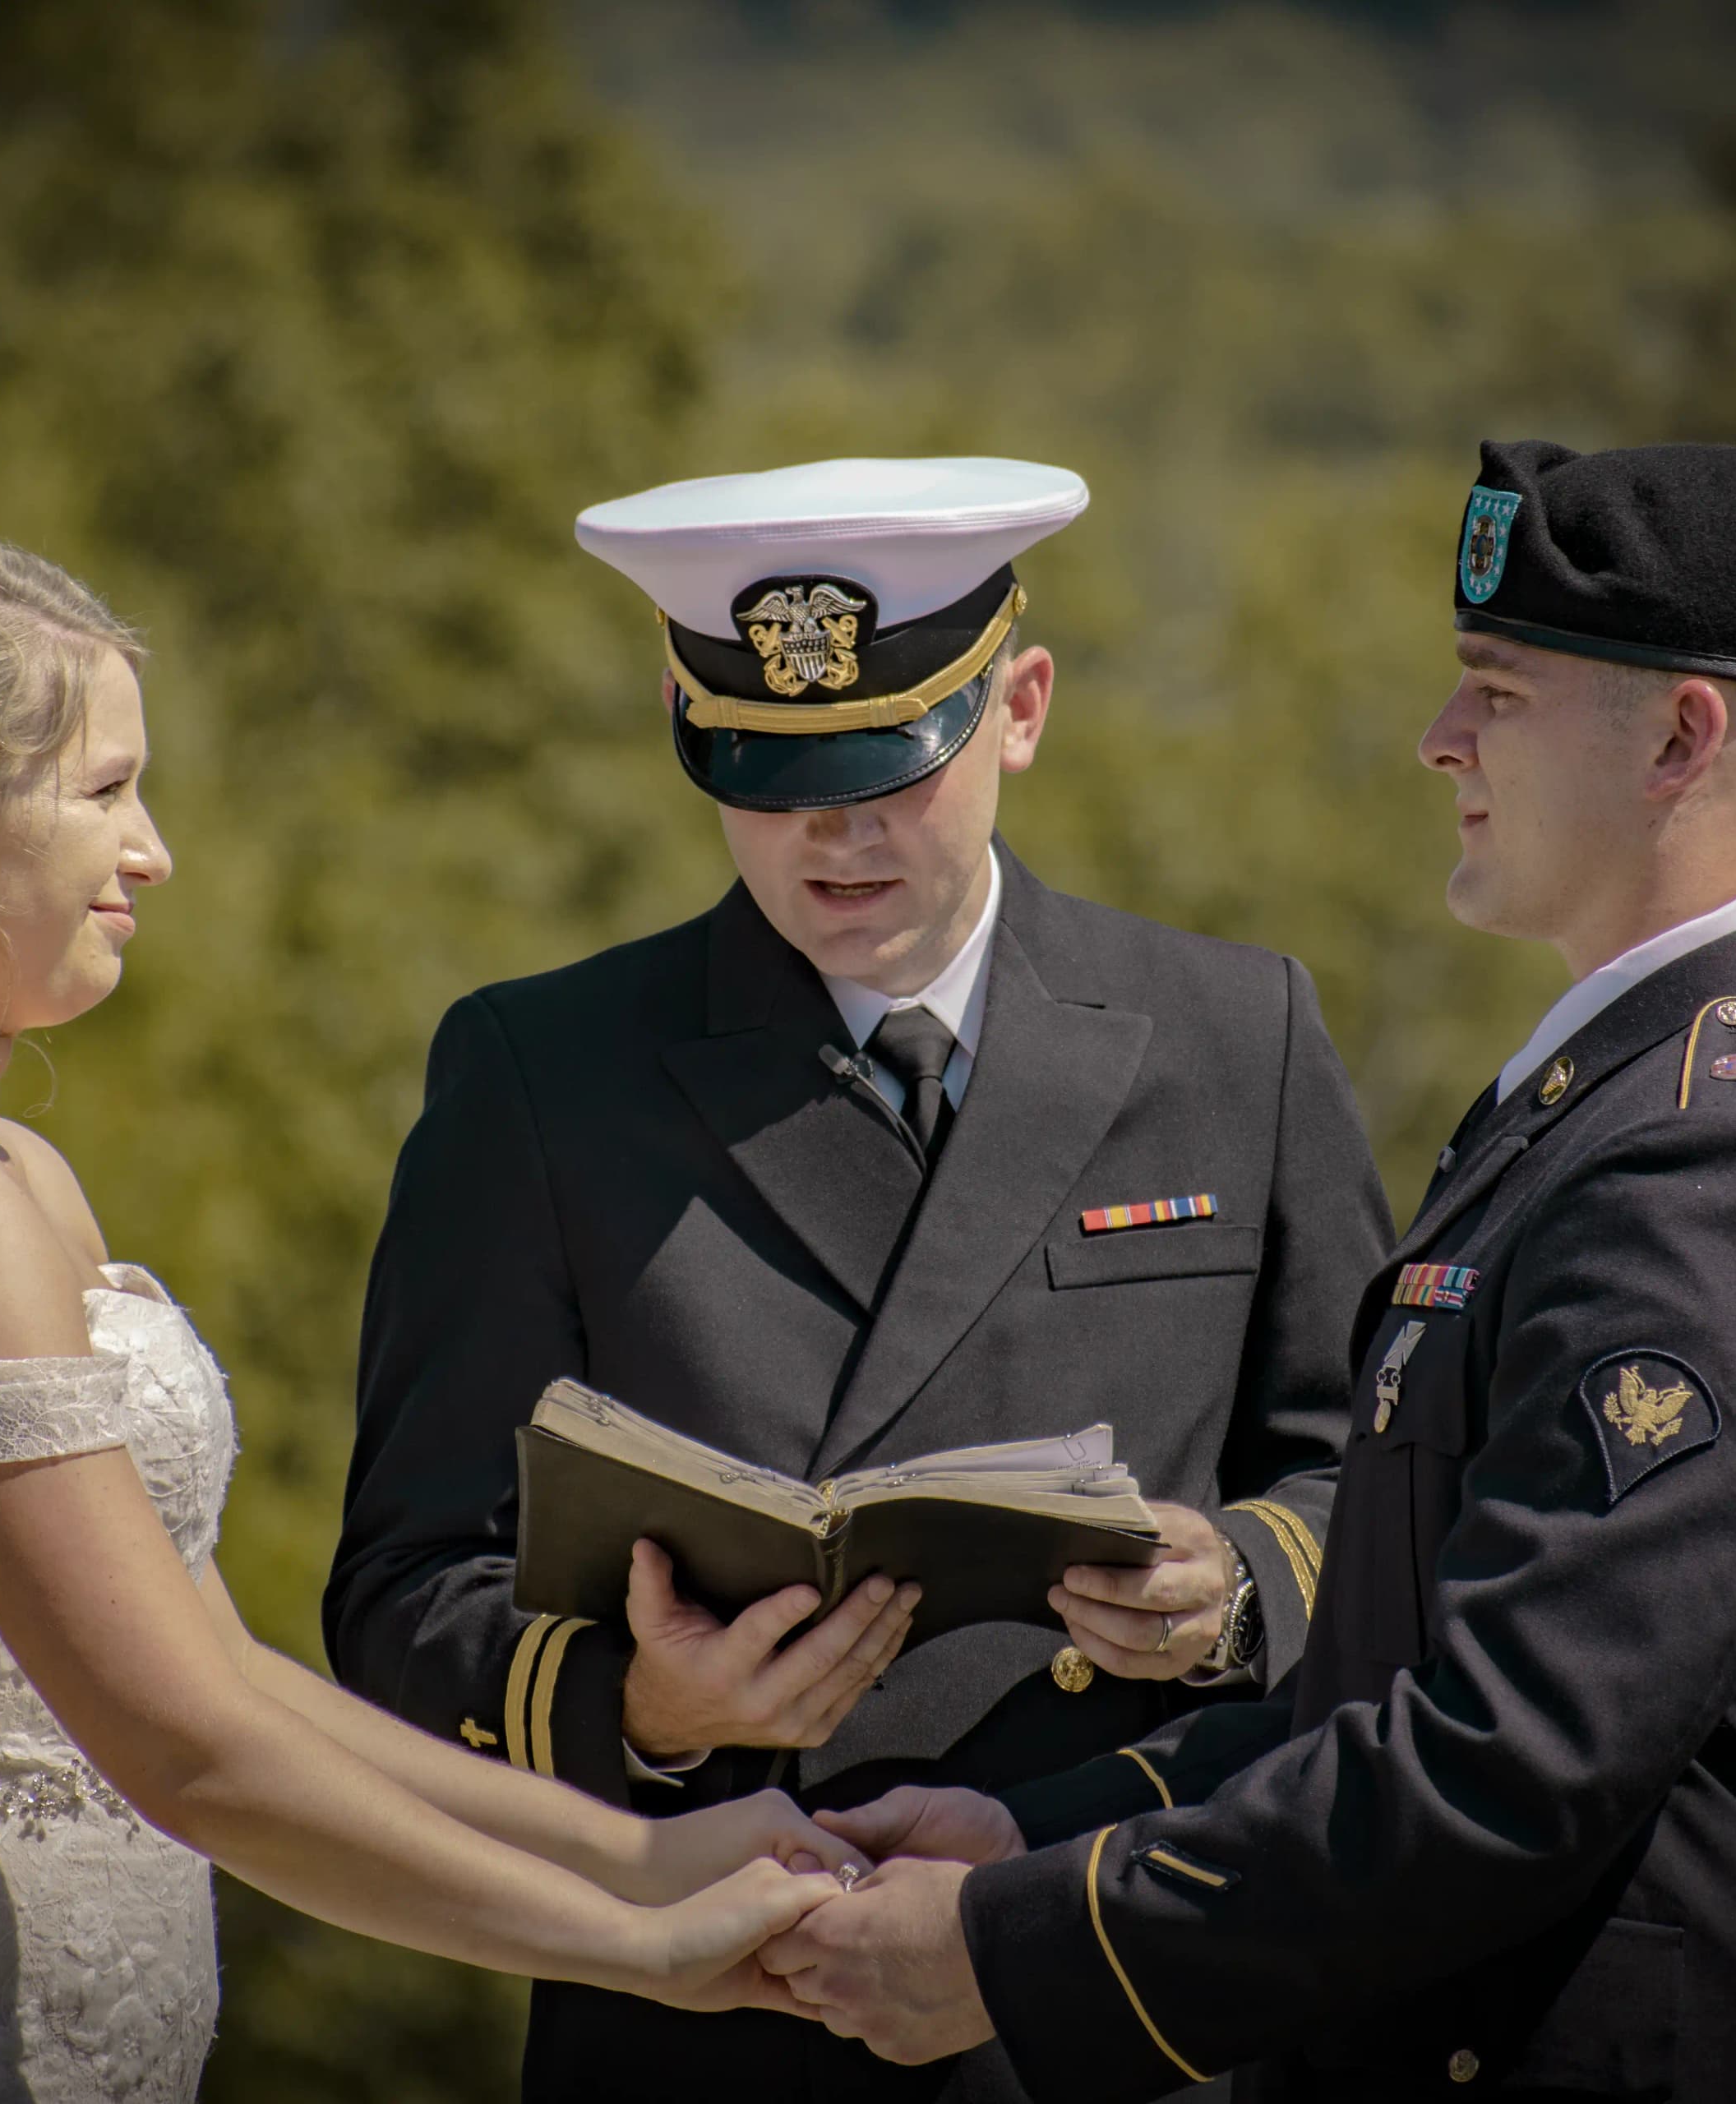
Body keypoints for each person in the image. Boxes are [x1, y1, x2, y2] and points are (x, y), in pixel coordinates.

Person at [0, 539, 860, 2103]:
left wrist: (652, 1854)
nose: (155, 853)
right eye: (105, 791)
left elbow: (224, 1670)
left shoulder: (14, 1178)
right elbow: (188, 1752)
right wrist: (640, 1953)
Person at [769, 440, 1736, 2103]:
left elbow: (1508, 1759)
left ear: (1681, 739)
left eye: (1500, 692)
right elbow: (1393, 1681)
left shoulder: (1722, 1163)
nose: (1440, 737)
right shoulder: (1622, 1104)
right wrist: (1036, 1833)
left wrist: (1008, 1946)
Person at [327, 456, 1394, 2101]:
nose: (838, 833)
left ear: (1020, 709)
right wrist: (646, 1705)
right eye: (774, 773)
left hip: (1110, 1980)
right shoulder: (542, 1074)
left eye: (893, 763)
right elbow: (403, 1590)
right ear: (686, 730)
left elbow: (1383, 1486)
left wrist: (1237, 1582)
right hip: (721, 2008)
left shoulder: (1235, 1035)